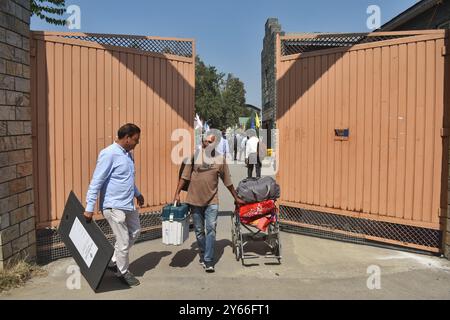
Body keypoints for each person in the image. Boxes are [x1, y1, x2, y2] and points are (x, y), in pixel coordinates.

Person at [173, 132, 245, 273]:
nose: (207, 144)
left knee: (211, 229)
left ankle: (208, 260)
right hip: (194, 200)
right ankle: (203, 251)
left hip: (212, 200)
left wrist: (235, 197)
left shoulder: (220, 159)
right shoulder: (194, 157)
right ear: (202, 142)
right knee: (199, 231)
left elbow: (227, 181)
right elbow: (184, 177)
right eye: (205, 141)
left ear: (215, 143)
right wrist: (176, 193)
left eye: (210, 142)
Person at [84, 123, 145, 287]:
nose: (137, 143)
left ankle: (113, 261)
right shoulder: (109, 154)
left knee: (136, 231)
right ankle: (123, 272)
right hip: (113, 204)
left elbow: (127, 178)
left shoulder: (127, 154)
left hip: (127, 203)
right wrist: (89, 208)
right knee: (123, 240)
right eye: (135, 140)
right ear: (127, 138)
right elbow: (96, 181)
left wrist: (137, 194)